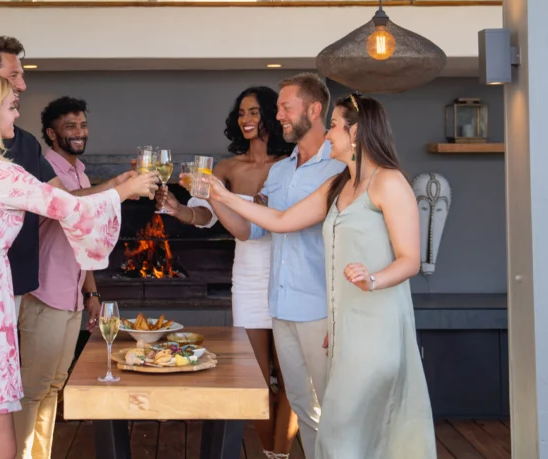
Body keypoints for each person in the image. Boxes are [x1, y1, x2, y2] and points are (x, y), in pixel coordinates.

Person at [0, 73, 159, 459]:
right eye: (11, 107)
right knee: (0, 446)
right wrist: (126, 190)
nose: (16, 113)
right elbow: (68, 208)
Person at [202, 92, 435, 458]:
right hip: (340, 324)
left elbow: (410, 259)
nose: (327, 135)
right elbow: (280, 221)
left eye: (336, 127)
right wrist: (222, 195)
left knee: (352, 423)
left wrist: (372, 279)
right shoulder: (338, 185)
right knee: (340, 423)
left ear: (355, 132)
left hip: (377, 325)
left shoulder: (389, 182)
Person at [201, 74, 344, 459]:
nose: (277, 115)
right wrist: (213, 199)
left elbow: (286, 222)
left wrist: (222, 194)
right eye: (276, 107)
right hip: (279, 303)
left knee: (330, 404)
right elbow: (257, 231)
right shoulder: (280, 173)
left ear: (313, 110)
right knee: (299, 399)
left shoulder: (338, 169)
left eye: (284, 107)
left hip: (320, 305)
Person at [155, 86, 298, 458]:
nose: (246, 120)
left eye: (254, 112)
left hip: (290, 274)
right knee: (254, 376)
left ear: (271, 114)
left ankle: (279, 453)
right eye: (241, 114)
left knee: (292, 379)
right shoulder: (226, 168)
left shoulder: (292, 165)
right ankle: (272, 452)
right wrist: (175, 208)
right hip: (248, 277)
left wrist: (221, 198)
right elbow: (202, 216)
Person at [13, 97, 102, 459]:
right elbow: (68, 206)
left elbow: (86, 239)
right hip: (44, 292)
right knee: (33, 388)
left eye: (82, 125)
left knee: (54, 386)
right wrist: (119, 187)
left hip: (72, 296)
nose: (79, 133)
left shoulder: (80, 171)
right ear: (51, 133)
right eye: (70, 127)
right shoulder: (42, 168)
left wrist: (91, 292)